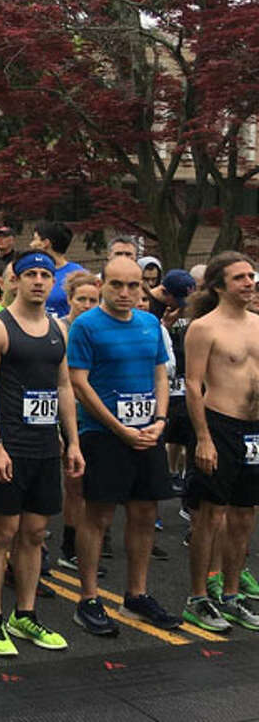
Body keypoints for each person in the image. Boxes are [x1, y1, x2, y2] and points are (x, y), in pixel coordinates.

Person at [0, 251, 84, 656]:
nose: (38, 280)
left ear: (53, 281)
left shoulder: (58, 329)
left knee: (35, 533)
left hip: (44, 447)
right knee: (2, 532)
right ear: (14, 280)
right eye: (30, 274)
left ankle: (25, 612)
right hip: (9, 446)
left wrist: (72, 441)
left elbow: (64, 387)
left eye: (45, 274)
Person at [68, 256, 182, 635]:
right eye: (117, 285)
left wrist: (160, 421)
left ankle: (137, 594)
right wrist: (119, 428)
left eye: (134, 286)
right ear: (103, 284)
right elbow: (79, 384)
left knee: (145, 512)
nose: (125, 293)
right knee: (97, 515)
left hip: (147, 433)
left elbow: (160, 376)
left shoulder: (150, 324)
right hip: (103, 435)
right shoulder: (86, 326)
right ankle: (88, 598)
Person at [182, 252, 259, 631]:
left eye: (251, 276)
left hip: (254, 430)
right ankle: (198, 597)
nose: (249, 282)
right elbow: (193, 386)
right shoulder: (204, 327)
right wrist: (203, 438)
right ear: (218, 286)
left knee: (245, 516)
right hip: (220, 425)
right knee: (211, 515)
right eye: (240, 278)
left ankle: (231, 595)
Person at [57, 271, 102, 571]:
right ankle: (69, 545)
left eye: (92, 300)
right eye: (81, 299)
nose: (86, 304)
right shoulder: (60, 328)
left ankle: (94, 538)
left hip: (96, 412)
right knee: (74, 484)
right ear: (70, 299)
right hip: (66, 412)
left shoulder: (101, 329)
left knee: (94, 485)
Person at [29, 221, 85, 317]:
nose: (31, 244)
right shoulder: (30, 271)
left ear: (45, 243)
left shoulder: (78, 275)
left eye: (35, 239)